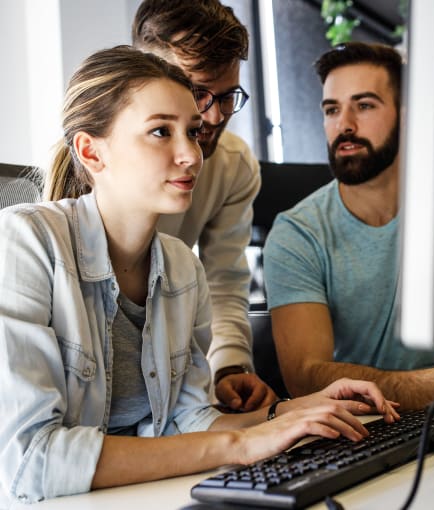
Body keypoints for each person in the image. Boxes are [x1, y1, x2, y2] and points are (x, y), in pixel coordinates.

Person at [0, 45, 400, 506]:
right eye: (160, 132)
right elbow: (32, 458)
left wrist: (298, 409)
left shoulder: (179, 265)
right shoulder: (25, 241)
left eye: (191, 132)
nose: (191, 153)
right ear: (92, 151)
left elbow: (188, 423)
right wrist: (242, 445)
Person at [263, 42, 434, 411]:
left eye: (364, 105)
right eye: (332, 109)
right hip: (365, 426)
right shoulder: (296, 234)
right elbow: (304, 378)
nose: (344, 124)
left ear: (406, 115)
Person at [130, 0, 275, 412]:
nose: (213, 117)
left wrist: (228, 366)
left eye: (228, 96)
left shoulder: (233, 164)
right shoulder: (84, 165)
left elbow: (224, 282)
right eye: (197, 93)